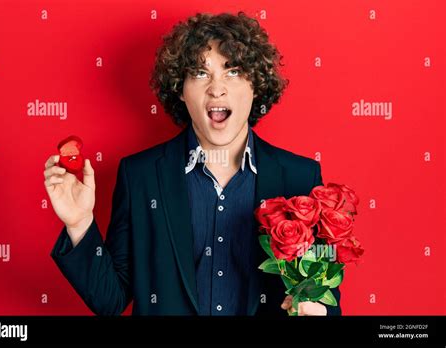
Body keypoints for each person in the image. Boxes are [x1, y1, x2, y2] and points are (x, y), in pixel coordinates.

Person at [44, 11, 341, 316]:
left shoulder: (300, 178)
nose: (216, 88)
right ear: (181, 90)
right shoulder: (140, 176)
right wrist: (79, 224)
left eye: (233, 70)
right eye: (200, 73)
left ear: (256, 86)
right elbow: (111, 300)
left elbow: (325, 297)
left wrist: (318, 311)